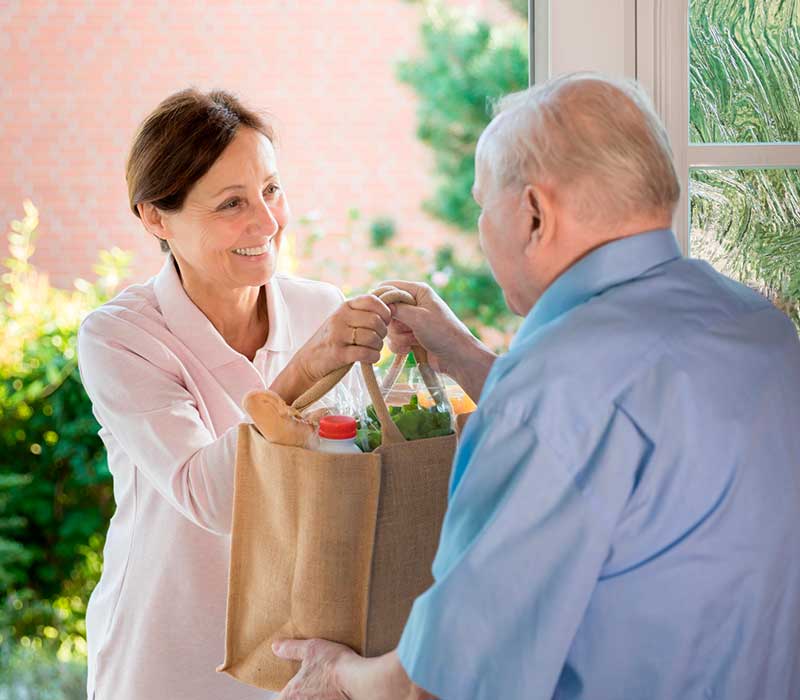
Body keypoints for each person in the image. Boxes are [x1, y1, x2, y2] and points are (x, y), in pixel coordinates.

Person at [272, 73, 800, 699]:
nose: (480, 228)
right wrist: (465, 355)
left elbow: (440, 685)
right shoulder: (759, 327)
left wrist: (338, 677)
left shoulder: (554, 389)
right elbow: (615, 442)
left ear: (533, 213)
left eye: (480, 204)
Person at [76, 88, 391, 700]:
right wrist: (304, 370)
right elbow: (213, 499)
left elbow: (350, 474)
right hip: (168, 656)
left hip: (302, 652)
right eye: (231, 204)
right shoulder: (120, 336)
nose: (266, 222)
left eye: (271, 189)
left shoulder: (316, 308)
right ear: (155, 218)